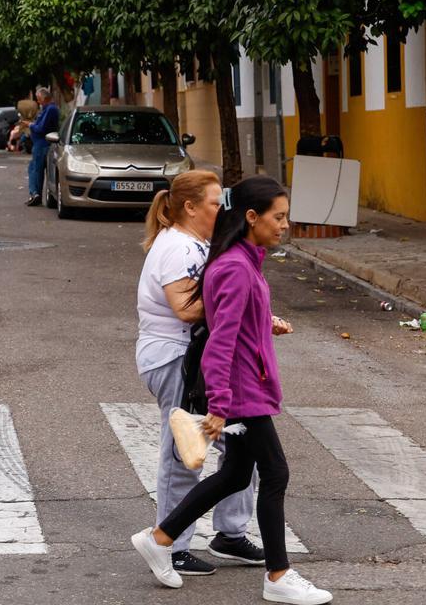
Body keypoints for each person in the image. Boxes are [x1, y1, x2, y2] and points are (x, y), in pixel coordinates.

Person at [131, 176, 333, 605]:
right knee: (275, 473)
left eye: (286, 217)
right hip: (241, 390)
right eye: (278, 217)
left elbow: (236, 324)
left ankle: (161, 537)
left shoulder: (243, 259)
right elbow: (219, 342)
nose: (285, 226)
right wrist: (220, 406)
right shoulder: (236, 267)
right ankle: (278, 575)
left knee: (238, 473)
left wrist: (264, 323)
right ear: (252, 217)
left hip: (245, 384)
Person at [136, 170, 264, 579]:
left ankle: (229, 533)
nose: (221, 208)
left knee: (241, 445)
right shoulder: (176, 247)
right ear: (190, 207)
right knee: (183, 455)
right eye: (214, 202)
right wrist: (239, 306)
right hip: (175, 357)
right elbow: (187, 309)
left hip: (198, 357)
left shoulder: (195, 242)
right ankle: (171, 546)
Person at [26, 87, 59, 206]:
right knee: (35, 169)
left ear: (44, 98)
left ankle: (35, 194)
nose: (38, 102)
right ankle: (36, 193)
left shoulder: (50, 109)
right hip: (41, 144)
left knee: (36, 169)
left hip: (43, 145)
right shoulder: (47, 109)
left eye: (39, 99)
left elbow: (41, 128)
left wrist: (31, 125)